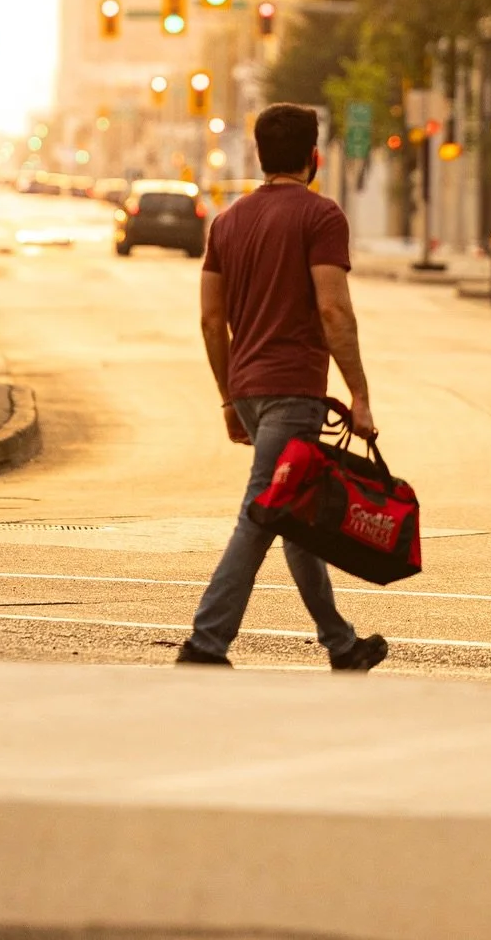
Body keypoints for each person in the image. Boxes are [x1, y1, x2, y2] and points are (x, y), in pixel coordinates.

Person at [177, 101, 388, 672]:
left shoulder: (228, 221)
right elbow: (334, 311)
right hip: (293, 390)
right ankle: (205, 643)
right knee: (262, 513)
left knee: (296, 516)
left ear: (259, 155)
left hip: (249, 388)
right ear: (313, 157)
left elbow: (209, 318)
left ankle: (342, 645)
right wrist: (361, 395)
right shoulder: (321, 217)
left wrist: (228, 396)